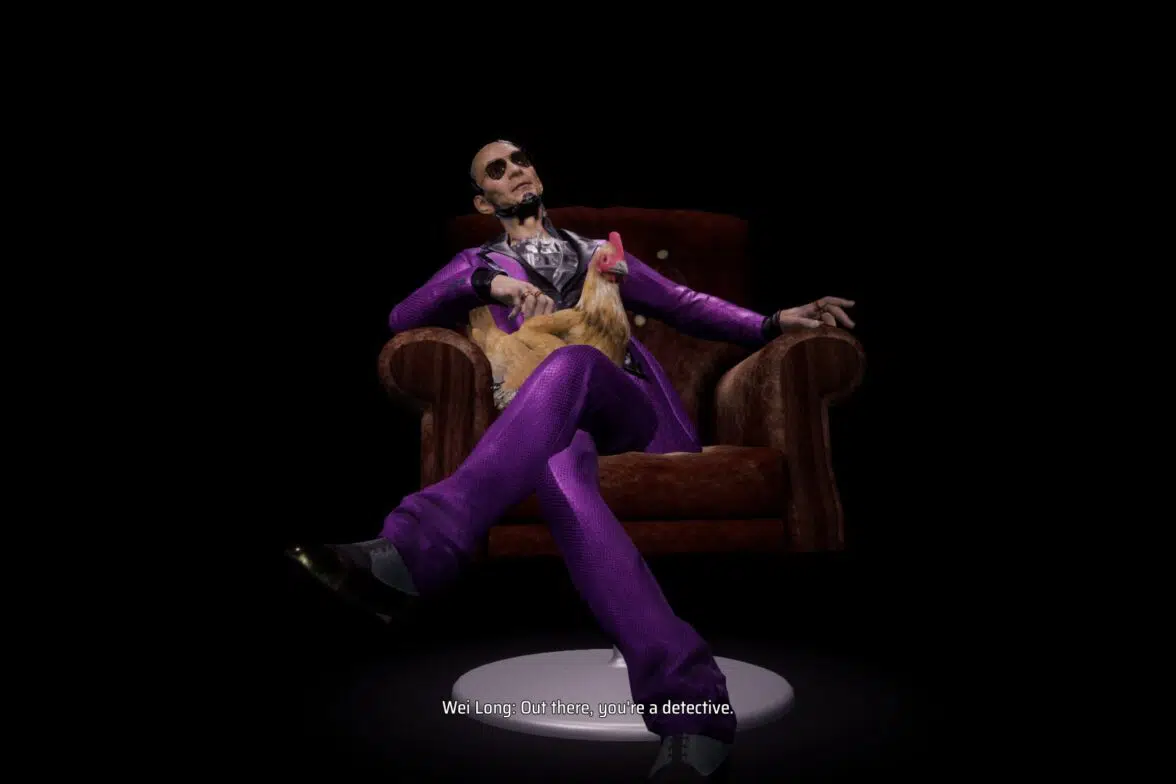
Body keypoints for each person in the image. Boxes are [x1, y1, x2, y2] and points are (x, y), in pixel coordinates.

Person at [291, 140, 855, 782]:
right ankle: (694, 710)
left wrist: (775, 321)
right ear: (484, 202)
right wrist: (486, 282)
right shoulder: (477, 263)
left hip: (628, 411)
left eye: (520, 160)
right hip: (549, 425)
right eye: (497, 170)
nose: (515, 171)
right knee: (558, 472)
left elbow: (685, 304)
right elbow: (403, 315)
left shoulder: (597, 253)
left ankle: (416, 550)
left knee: (575, 362)